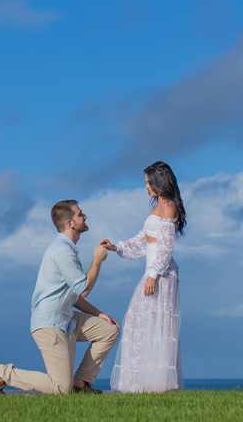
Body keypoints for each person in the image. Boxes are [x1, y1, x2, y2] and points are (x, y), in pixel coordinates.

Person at [0, 199, 120, 395]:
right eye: (80, 214)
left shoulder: (67, 249)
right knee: (60, 389)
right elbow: (83, 289)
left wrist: (98, 313)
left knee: (108, 330)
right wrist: (97, 260)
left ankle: (80, 383)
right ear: (69, 223)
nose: (85, 216)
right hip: (51, 323)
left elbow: (74, 295)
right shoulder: (63, 252)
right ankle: (2, 372)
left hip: (67, 318)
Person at [99, 160, 186, 393]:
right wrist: (116, 247)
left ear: (160, 182)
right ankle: (139, 383)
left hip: (162, 275)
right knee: (138, 323)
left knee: (157, 326)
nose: (146, 187)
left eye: (148, 183)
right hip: (153, 273)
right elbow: (142, 241)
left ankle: (158, 384)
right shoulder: (157, 207)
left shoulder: (168, 207)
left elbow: (165, 248)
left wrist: (154, 275)